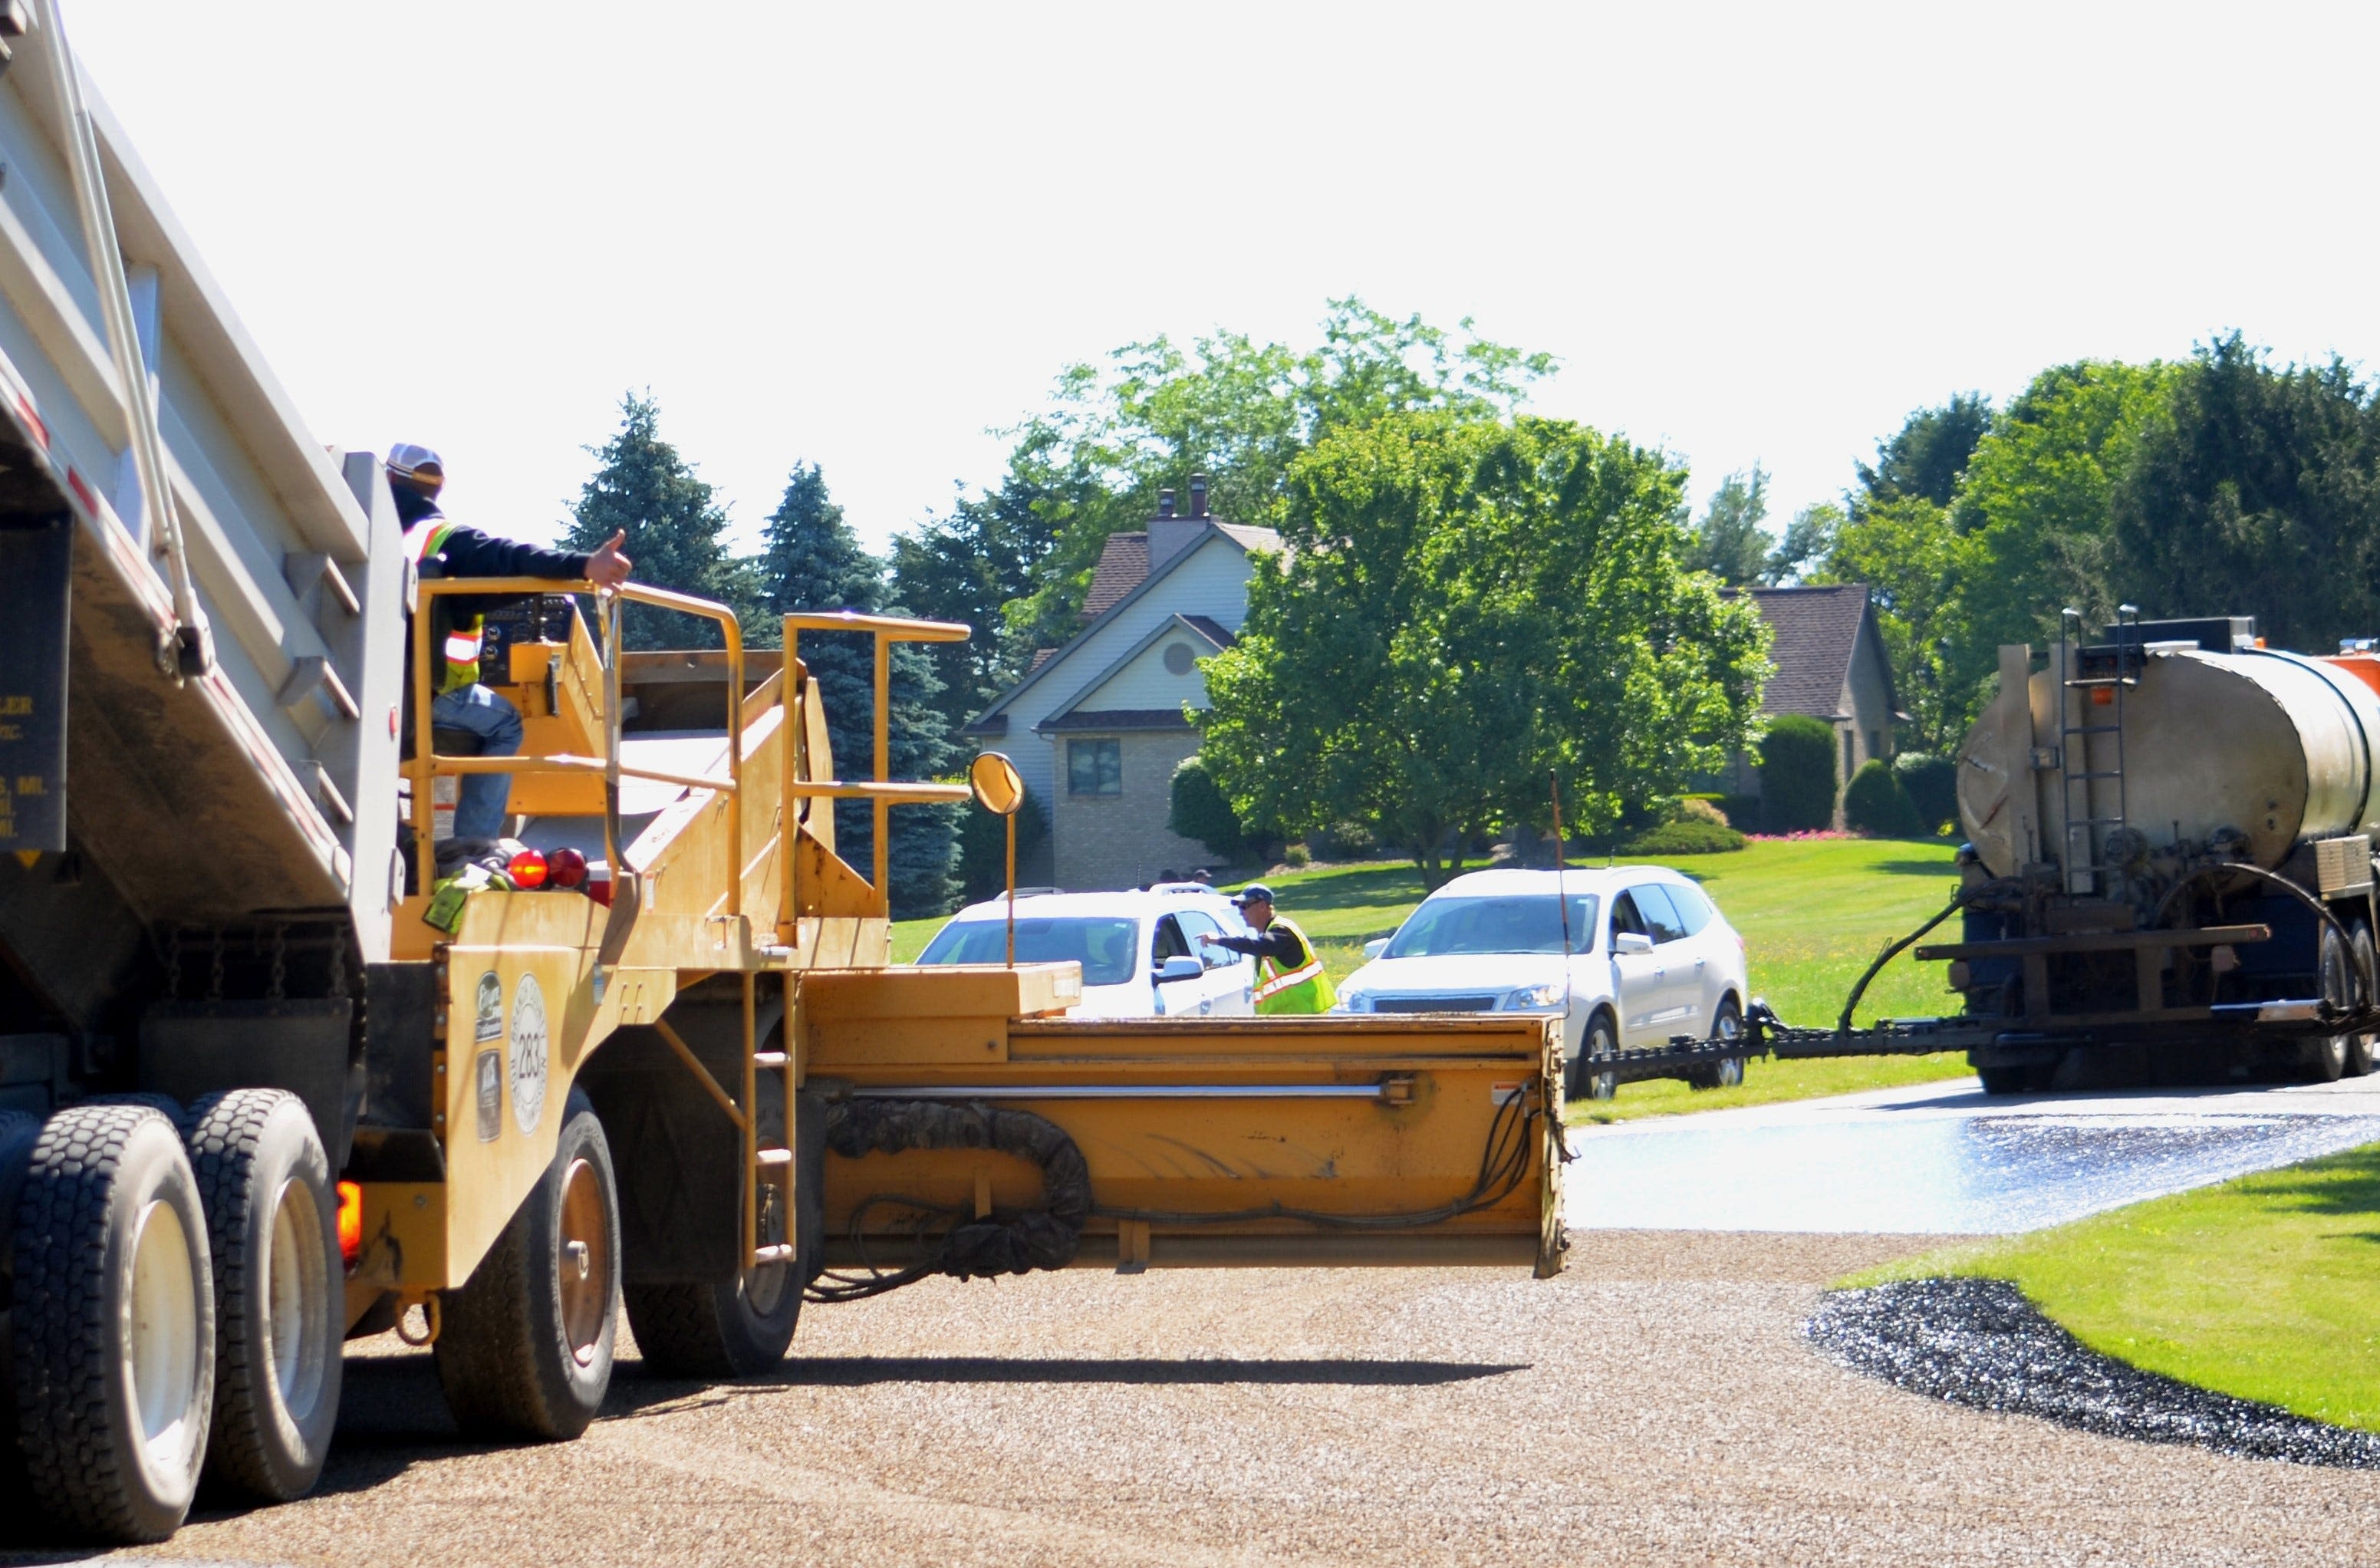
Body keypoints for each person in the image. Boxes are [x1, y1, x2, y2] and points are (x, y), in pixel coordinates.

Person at [389, 443, 633, 844]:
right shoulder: (442, 540)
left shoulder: (358, 532)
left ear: (389, 480)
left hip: (363, 692)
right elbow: (511, 558)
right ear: (438, 489)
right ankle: (473, 843)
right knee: (505, 723)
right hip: (427, 694)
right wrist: (583, 565)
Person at [1198, 882, 1337, 1014]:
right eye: (1239, 907)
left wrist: (1219, 940)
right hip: (1285, 1021)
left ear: (1262, 906)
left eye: (1244, 906)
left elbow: (1260, 947)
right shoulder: (1270, 934)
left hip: (1302, 1018)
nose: (1241, 913)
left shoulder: (1282, 931)